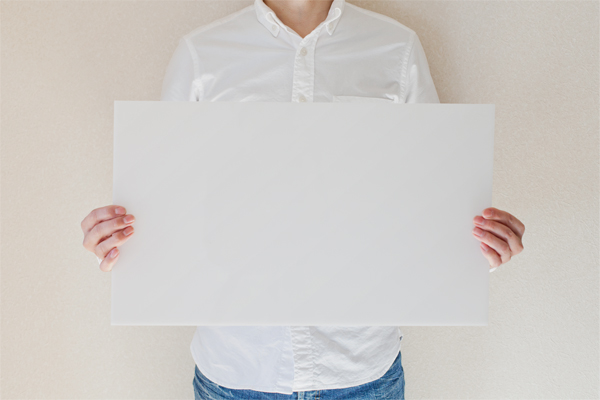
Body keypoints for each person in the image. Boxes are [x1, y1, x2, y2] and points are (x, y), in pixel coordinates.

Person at [80, 0, 526, 398]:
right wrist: (122, 241)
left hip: (363, 372)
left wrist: (478, 249)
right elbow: (173, 201)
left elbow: (429, 198)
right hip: (236, 370)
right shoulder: (202, 53)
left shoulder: (397, 48)